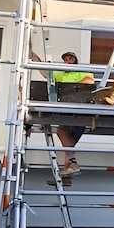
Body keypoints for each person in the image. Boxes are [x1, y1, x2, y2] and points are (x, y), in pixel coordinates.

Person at [31, 50, 95, 181]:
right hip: (67, 112)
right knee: (65, 139)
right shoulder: (60, 75)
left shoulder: (82, 71)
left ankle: (70, 169)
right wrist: (34, 57)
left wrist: (72, 89)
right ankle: (69, 172)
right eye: (65, 59)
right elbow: (46, 73)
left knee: (64, 136)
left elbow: (89, 82)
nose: (67, 61)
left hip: (80, 111)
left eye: (70, 58)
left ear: (75, 60)